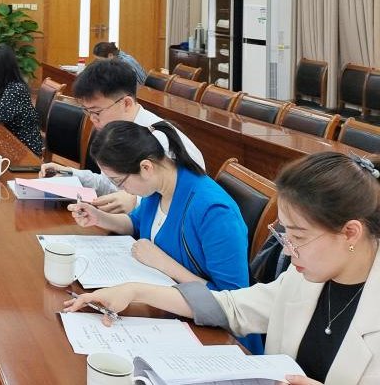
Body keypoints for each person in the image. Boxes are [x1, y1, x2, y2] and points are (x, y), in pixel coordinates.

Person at [66, 152, 380, 385]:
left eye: (298, 237)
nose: (286, 250)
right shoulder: (307, 277)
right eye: (284, 234)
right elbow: (232, 306)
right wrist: (135, 291)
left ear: (350, 233)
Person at [68, 120, 249, 292]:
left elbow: (233, 297)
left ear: (146, 167)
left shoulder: (214, 212)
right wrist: (99, 217)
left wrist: (163, 263)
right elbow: (136, 223)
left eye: (119, 181)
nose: (121, 189)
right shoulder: (158, 188)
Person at [41, 58, 205, 213]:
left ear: (126, 103)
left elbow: (186, 201)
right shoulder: (117, 133)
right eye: (87, 112)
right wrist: (71, 174)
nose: (92, 119)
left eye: (96, 112)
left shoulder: (163, 140)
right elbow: (110, 184)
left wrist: (136, 202)